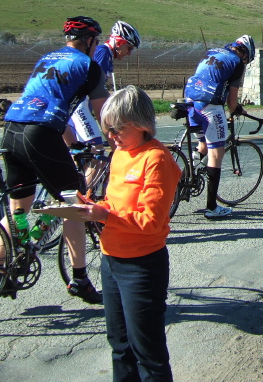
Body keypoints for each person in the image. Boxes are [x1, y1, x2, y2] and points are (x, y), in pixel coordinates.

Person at [0, 16, 109, 303]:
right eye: (97, 40)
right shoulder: (89, 66)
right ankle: (79, 279)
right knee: (75, 203)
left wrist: (75, 144)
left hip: (12, 129)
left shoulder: (47, 58)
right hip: (38, 134)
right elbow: (105, 113)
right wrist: (114, 140)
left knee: (19, 204)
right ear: (90, 41)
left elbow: (52, 109)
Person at [75, 85, 180, 382]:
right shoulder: (120, 154)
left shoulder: (156, 159)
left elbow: (151, 221)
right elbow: (116, 204)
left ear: (142, 124)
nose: (111, 137)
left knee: (148, 352)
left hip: (142, 266)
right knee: (119, 346)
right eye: (107, 129)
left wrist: (105, 215)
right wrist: (92, 207)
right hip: (111, 260)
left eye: (117, 129)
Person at [182, 34, 255, 219]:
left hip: (190, 102)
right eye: (247, 60)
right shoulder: (237, 63)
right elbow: (231, 103)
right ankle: (212, 207)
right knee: (216, 153)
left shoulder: (213, 51)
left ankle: (180, 183)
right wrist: (238, 109)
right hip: (209, 107)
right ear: (245, 54)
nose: (245, 63)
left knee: (202, 147)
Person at [66, 20, 142, 149]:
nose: (129, 53)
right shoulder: (103, 53)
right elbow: (96, 90)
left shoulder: (106, 56)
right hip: (80, 108)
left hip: (80, 108)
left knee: (82, 158)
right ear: (119, 42)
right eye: (129, 48)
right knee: (97, 154)